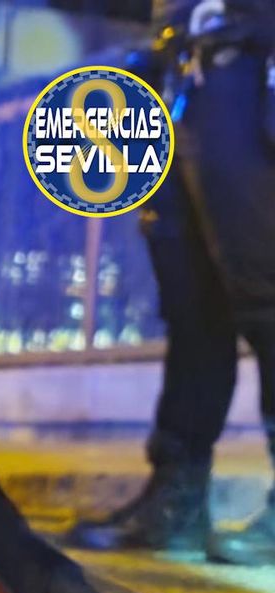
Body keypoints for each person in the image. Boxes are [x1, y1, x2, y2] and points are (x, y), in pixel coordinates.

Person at [70, 0, 275, 563]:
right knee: (192, 306)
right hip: (183, 69)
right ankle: (176, 501)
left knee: (266, 290)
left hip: (254, 59)